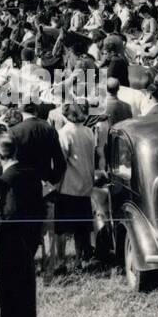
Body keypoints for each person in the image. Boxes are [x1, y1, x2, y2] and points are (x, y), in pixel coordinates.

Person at [0, 133, 44, 317]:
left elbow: (9, 215)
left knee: (9, 299)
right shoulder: (32, 174)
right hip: (29, 243)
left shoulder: (5, 180)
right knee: (26, 297)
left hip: (9, 244)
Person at [52, 102, 97, 273]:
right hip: (85, 184)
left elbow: (61, 160)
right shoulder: (88, 131)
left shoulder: (64, 133)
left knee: (61, 228)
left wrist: (55, 184)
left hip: (68, 185)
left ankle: (61, 260)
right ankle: (80, 259)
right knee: (81, 228)